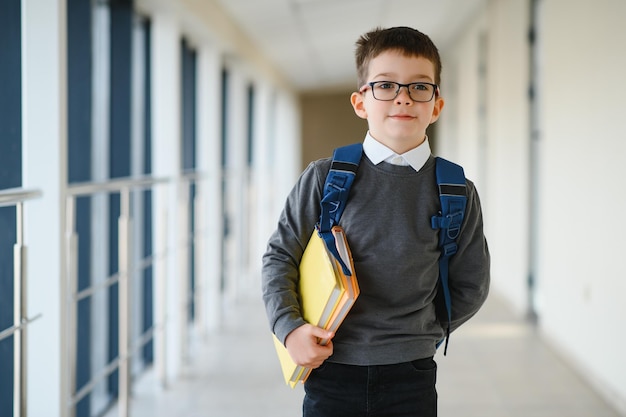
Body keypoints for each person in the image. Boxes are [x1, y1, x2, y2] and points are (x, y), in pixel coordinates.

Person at [262, 26, 490, 417]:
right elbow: (279, 257)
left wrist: (423, 334)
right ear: (360, 101)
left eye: (420, 87)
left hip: (412, 375)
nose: (403, 97)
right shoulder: (324, 177)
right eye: (385, 85)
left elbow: (472, 283)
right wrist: (290, 328)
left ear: (436, 105)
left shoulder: (456, 190)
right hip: (330, 368)